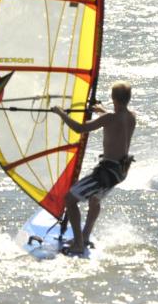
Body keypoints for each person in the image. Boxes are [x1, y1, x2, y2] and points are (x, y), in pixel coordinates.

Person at [50, 82, 136, 257]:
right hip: (121, 171)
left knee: (70, 199)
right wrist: (102, 110)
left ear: (113, 98)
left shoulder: (109, 118)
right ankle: (85, 236)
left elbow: (79, 128)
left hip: (106, 172)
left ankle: (79, 244)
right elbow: (116, 118)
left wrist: (60, 113)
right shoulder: (132, 116)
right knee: (94, 199)